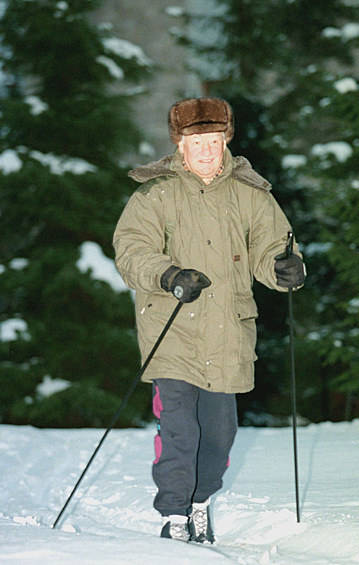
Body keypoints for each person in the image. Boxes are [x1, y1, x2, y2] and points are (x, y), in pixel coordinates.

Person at [113, 97, 305, 543]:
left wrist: (285, 268)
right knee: (181, 429)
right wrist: (169, 274)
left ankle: (201, 504)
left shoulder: (250, 193)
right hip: (172, 328)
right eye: (195, 140)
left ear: (226, 141)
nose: (205, 149)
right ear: (179, 144)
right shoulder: (154, 194)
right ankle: (174, 516)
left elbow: (273, 246)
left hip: (228, 331)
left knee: (219, 436)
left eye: (214, 140)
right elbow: (132, 251)